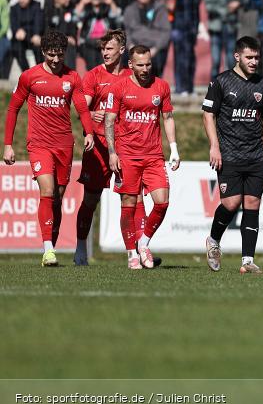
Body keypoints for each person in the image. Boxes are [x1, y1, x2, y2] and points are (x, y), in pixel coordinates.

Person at [3, 30, 94, 267]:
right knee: (47, 190)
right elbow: (13, 109)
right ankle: (48, 249)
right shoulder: (29, 77)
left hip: (64, 143)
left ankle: (50, 248)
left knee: (58, 198)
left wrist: (89, 132)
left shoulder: (72, 77)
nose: (55, 60)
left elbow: (82, 108)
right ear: (43, 52)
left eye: (60, 55)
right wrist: (8, 145)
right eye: (51, 55)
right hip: (39, 144)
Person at [203, 36, 263, 274]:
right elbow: (208, 115)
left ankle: (247, 261)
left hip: (255, 155)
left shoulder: (262, 85)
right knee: (231, 203)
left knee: (253, 204)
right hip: (229, 154)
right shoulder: (221, 82)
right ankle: (214, 241)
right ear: (237, 57)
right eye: (249, 57)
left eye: (257, 57)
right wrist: (214, 146)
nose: (254, 61)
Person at [74, 30, 148, 266]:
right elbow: (82, 108)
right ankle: (80, 249)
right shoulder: (94, 76)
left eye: (109, 48)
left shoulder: (131, 76)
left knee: (133, 199)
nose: (105, 53)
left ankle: (139, 251)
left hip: (125, 148)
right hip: (98, 147)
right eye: (103, 49)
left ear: (122, 50)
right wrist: (89, 115)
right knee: (90, 200)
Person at [105, 45, 180, 269]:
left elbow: (167, 118)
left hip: (154, 155)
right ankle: (131, 254)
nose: (146, 68)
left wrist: (174, 148)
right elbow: (109, 121)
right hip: (127, 155)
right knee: (128, 203)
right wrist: (112, 152)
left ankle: (143, 243)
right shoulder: (118, 88)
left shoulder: (161, 86)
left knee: (162, 201)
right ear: (131, 65)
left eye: (148, 64)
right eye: (140, 65)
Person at [123, 0, 171, 76]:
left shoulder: (159, 9)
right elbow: (126, 31)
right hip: (134, 47)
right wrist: (131, 47)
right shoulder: (129, 10)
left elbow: (166, 32)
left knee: (154, 79)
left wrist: (156, 49)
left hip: (154, 49)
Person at [205, 0, 243, 80]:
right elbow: (209, 6)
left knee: (231, 59)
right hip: (216, 29)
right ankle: (213, 88)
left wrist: (238, 3)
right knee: (216, 60)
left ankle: (232, 86)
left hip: (230, 28)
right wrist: (226, 9)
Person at [74, 0, 121, 70]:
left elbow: (118, 18)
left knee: (105, 66)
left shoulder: (106, 9)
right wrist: (83, 2)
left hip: (105, 42)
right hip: (88, 43)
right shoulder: (86, 10)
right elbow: (75, 18)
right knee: (92, 67)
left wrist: (111, 2)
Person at [2, 0, 44, 76]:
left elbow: (38, 22)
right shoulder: (14, 8)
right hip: (20, 39)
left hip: (33, 37)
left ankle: (41, 74)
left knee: (40, 49)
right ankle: (28, 74)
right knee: (16, 49)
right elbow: (14, 27)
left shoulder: (36, 7)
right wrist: (18, 31)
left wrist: (36, 34)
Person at [172, 0, 201, 96]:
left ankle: (187, 87)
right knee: (184, 60)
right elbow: (189, 16)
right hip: (183, 32)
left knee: (188, 59)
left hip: (185, 32)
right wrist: (192, 31)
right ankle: (183, 88)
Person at [43, 0, 78, 68]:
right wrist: (64, 38)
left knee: (69, 49)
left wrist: (72, 38)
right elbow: (48, 31)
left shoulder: (69, 11)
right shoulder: (49, 12)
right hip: (53, 42)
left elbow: (73, 29)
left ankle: (70, 77)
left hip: (67, 44)